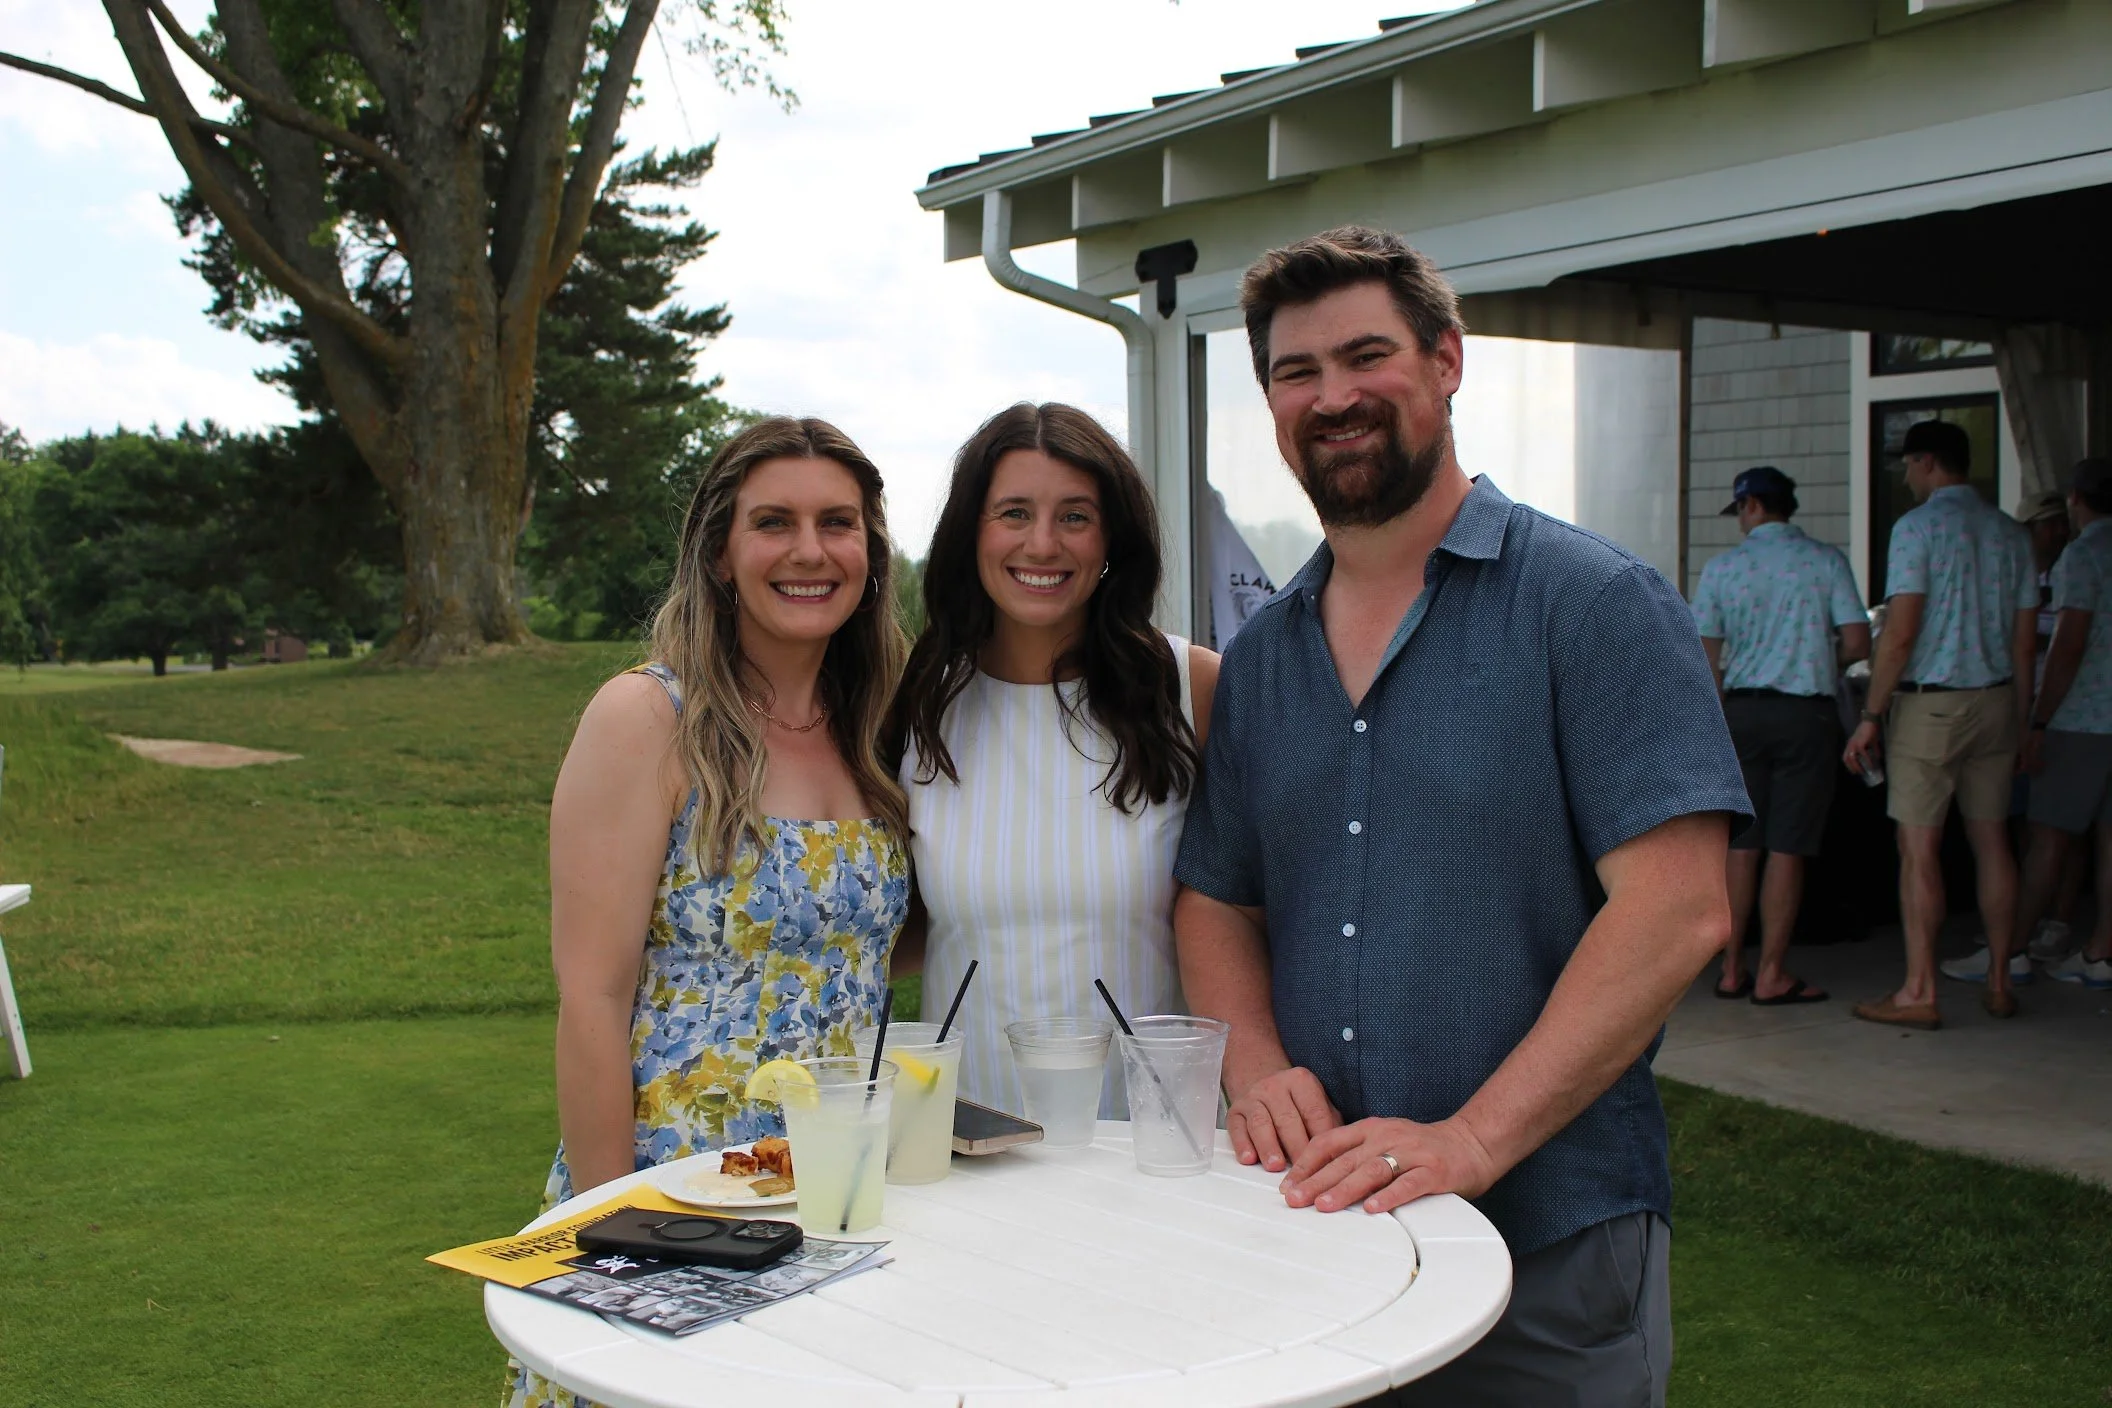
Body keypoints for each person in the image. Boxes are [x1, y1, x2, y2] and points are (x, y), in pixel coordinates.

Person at [1172, 226, 1747, 1407]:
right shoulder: (1265, 656)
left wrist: (1474, 1137)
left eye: (1366, 356)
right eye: (1296, 371)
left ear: (1446, 361)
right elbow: (1215, 896)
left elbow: (1679, 907)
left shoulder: (1596, 605)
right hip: (1317, 1234)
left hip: (1550, 1241)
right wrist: (1257, 1068)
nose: (1333, 396)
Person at [508, 418, 911, 1408]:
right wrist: (618, 1230)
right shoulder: (649, 718)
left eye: (838, 523)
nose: (810, 551)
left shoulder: (883, 726)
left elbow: (866, 953)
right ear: (721, 554)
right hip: (676, 1189)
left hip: (837, 1195)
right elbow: (592, 997)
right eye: (773, 523)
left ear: (871, 551)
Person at [888, 402, 1219, 1118]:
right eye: (1014, 513)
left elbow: (1255, 917)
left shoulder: (1193, 688)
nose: (1042, 544)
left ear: (1112, 538)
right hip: (963, 1134)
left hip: (1151, 1136)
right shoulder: (916, 705)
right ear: (971, 532)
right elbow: (877, 927)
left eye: (1075, 516)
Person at [1843, 419, 2036, 1023]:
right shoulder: (2011, 533)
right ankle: (2000, 979)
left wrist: (1871, 713)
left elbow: (1901, 632)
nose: (1904, 475)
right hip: (1998, 698)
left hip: (1930, 703)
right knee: (1993, 840)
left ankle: (1919, 991)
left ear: (1927, 462)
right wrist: (2025, 720)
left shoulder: (1916, 528)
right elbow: (2026, 641)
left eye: (1907, 463)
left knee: (1919, 848)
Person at [1692, 465, 1870, 1004]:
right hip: (1805, 714)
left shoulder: (1723, 569)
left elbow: (1706, 656)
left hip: (1742, 713)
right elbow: (1858, 642)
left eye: (1740, 511)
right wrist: (1819, 659)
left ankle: (1730, 968)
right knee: (1788, 846)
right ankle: (1771, 972)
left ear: (1752, 506)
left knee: (1742, 844)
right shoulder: (1826, 561)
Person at [2004, 458, 2112, 992]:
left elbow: (2068, 644)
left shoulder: (2084, 555)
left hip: (2082, 716)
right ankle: (2101, 953)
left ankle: (2010, 951)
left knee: (2046, 837)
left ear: (2075, 499)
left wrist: (2039, 718)